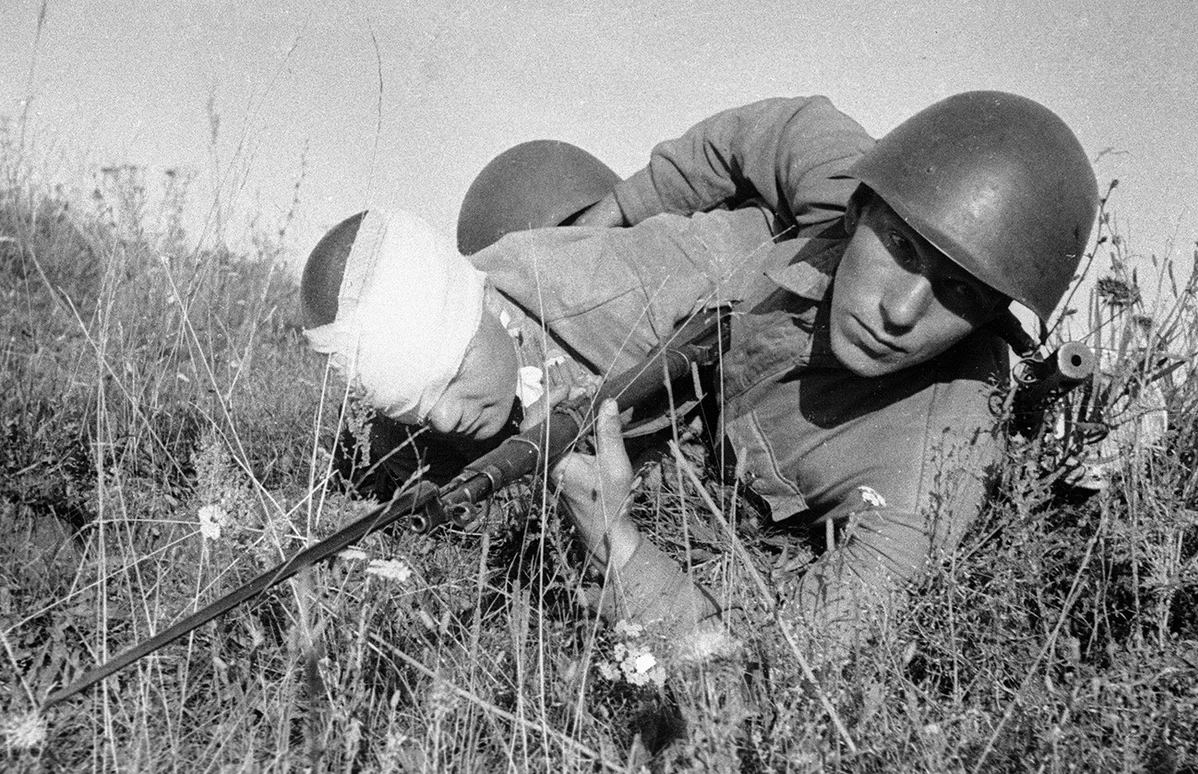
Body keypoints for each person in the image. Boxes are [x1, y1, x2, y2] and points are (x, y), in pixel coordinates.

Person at [303, 91, 1099, 663]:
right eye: (902, 250)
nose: (901, 309)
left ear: (994, 314)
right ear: (859, 213)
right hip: (675, 344)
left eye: (959, 293)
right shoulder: (848, 184)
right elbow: (777, 126)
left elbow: (761, 659)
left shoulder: (931, 465)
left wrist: (617, 543)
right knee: (523, 200)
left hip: (708, 472)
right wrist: (620, 214)